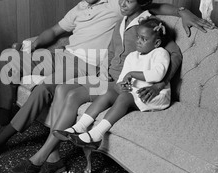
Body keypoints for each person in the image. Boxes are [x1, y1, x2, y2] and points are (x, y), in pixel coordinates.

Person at [0, 0, 213, 166]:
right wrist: (31, 46)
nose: (124, 3)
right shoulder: (116, 14)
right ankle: (32, 143)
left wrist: (181, 11)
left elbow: (159, 17)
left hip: (96, 69)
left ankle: (13, 144)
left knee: (51, 88)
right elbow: (56, 30)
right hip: (88, 66)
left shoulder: (126, 9)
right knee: (20, 65)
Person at [56, 16, 171, 149]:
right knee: (108, 93)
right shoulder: (132, 56)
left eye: (144, 39)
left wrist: (131, 74)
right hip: (135, 92)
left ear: (156, 43)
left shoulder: (160, 53)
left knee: (125, 97)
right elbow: (123, 79)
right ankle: (79, 127)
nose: (138, 41)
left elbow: (157, 75)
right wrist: (123, 84)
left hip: (153, 96)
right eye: (138, 37)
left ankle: (96, 135)